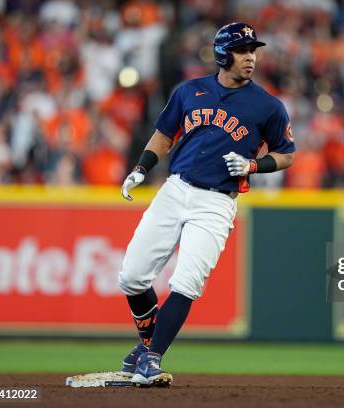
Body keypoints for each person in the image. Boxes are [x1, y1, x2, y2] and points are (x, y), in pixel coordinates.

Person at [117, 22, 296, 386]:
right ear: (222, 54)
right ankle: (148, 345)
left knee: (187, 281)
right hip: (175, 190)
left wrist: (253, 166)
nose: (251, 57)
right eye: (243, 50)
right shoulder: (190, 91)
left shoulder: (268, 105)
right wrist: (141, 167)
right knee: (132, 276)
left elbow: (287, 154)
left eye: (253, 50)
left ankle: (151, 357)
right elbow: (164, 134)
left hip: (216, 201)